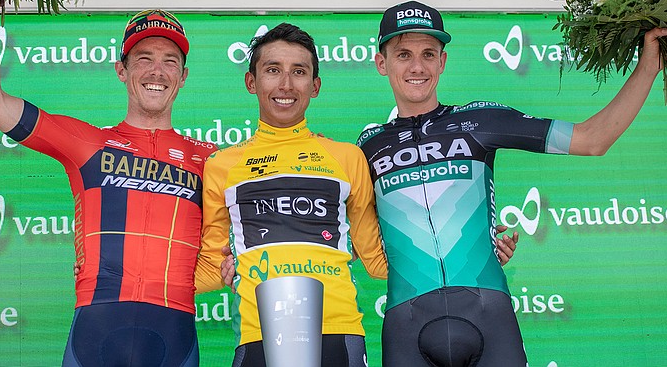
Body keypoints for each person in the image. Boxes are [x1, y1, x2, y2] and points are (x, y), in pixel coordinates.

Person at [356, 0, 667, 367]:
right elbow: (347, 233)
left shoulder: (479, 120)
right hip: (407, 325)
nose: (417, 66)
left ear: (442, 61)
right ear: (381, 63)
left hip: (488, 315)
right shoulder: (366, 147)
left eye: (428, 53)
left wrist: (648, 67)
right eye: (403, 54)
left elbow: (593, 139)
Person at [197, 23, 519, 367]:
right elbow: (208, 265)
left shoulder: (348, 157)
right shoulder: (221, 165)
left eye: (299, 72)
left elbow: (379, 262)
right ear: (251, 81)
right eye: (273, 70)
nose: (286, 85)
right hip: (257, 332)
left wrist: (469, 254)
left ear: (315, 85)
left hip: (340, 332)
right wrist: (220, 270)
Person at [0, 0, 218, 367]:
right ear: (122, 70)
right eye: (143, 58)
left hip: (174, 333)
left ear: (183, 75)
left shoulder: (211, 159)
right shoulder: (88, 144)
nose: (156, 70)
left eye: (169, 61)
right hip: (96, 330)